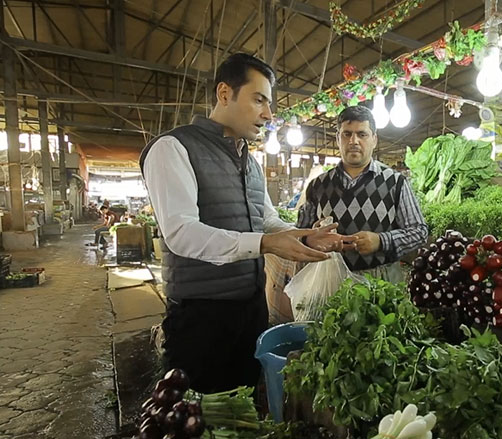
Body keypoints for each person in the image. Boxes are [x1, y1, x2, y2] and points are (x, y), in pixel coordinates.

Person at [139, 53, 351, 393]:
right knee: (201, 415)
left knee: (245, 406)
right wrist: (264, 244)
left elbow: (264, 219)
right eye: (259, 100)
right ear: (225, 94)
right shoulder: (174, 148)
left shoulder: (249, 163)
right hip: (201, 318)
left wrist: (304, 237)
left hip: (250, 310)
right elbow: (181, 233)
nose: (268, 114)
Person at [296, 106, 428, 283]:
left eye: (362, 134)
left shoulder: (395, 183)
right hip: (330, 281)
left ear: (374, 139)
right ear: (338, 138)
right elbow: (298, 234)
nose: (354, 141)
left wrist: (382, 241)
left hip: (381, 283)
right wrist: (310, 238)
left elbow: (419, 232)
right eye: (347, 134)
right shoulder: (318, 185)